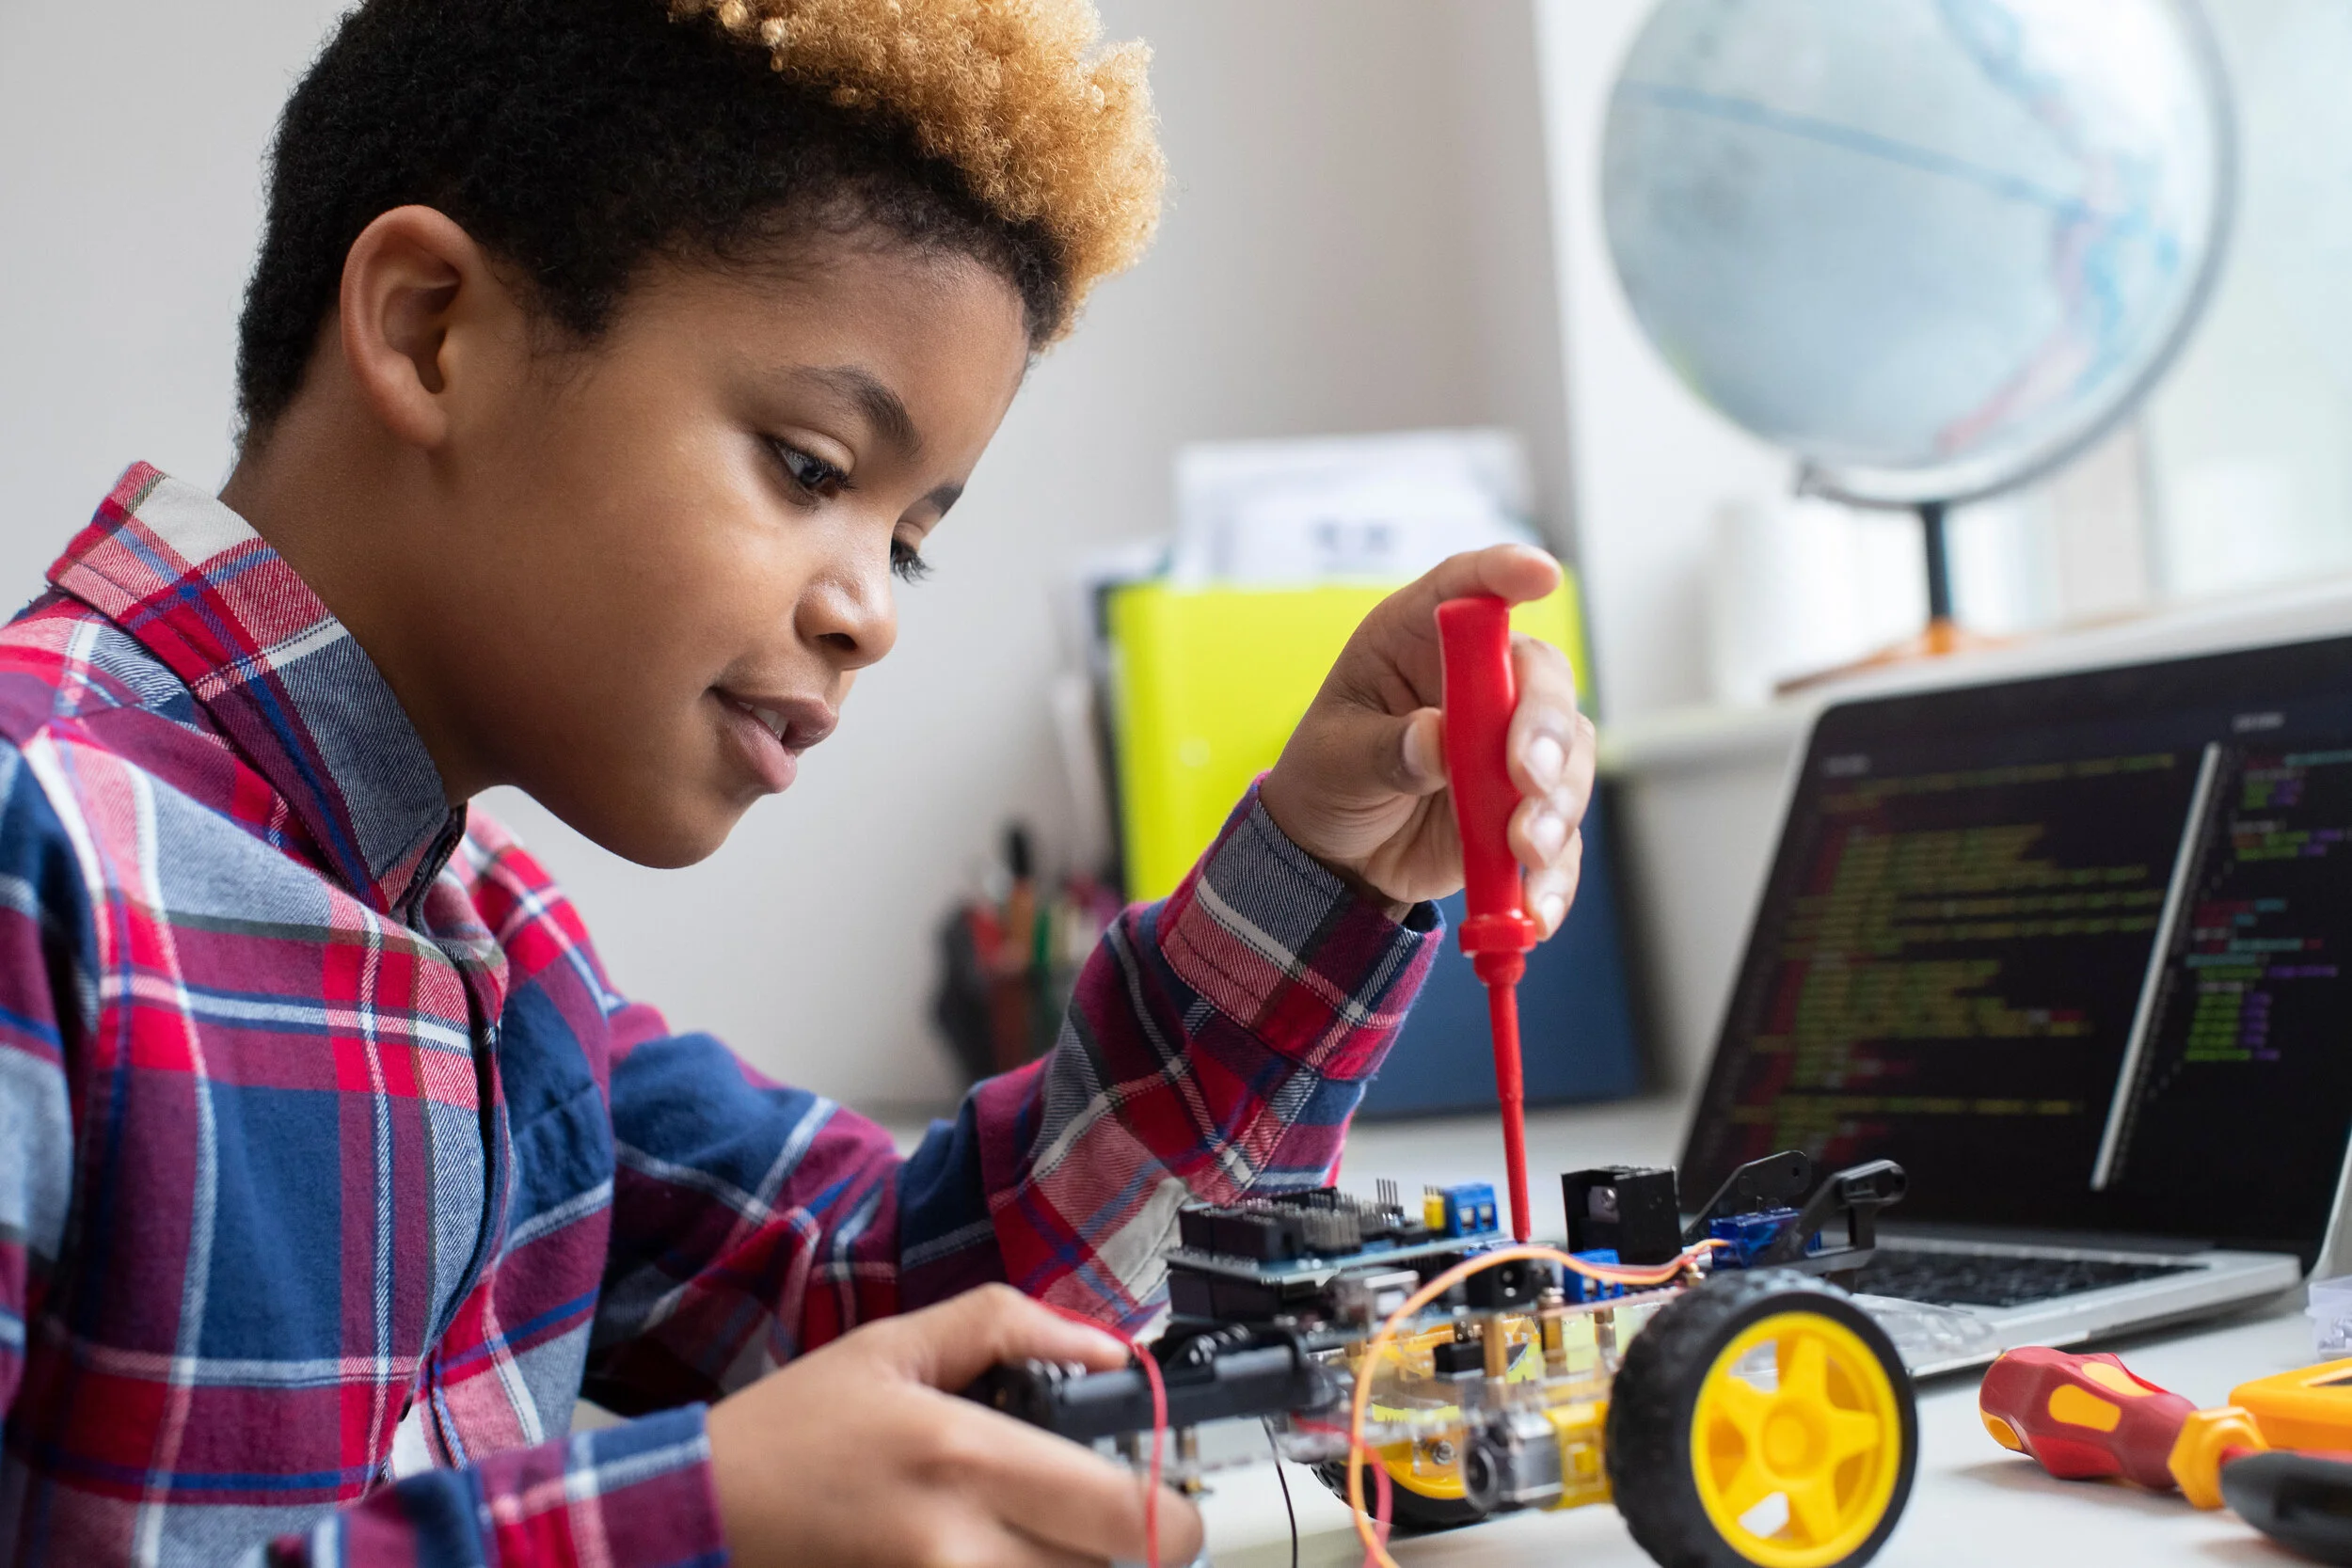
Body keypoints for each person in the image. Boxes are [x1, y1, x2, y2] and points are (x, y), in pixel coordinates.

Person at [0, 1, 1597, 1563]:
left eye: (908, 540)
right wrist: (680, 1525)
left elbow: (906, 1296)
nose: (871, 612)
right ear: (431, 329)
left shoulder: (504, 963)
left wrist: (1334, 864)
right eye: (813, 468)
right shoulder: (41, 842)